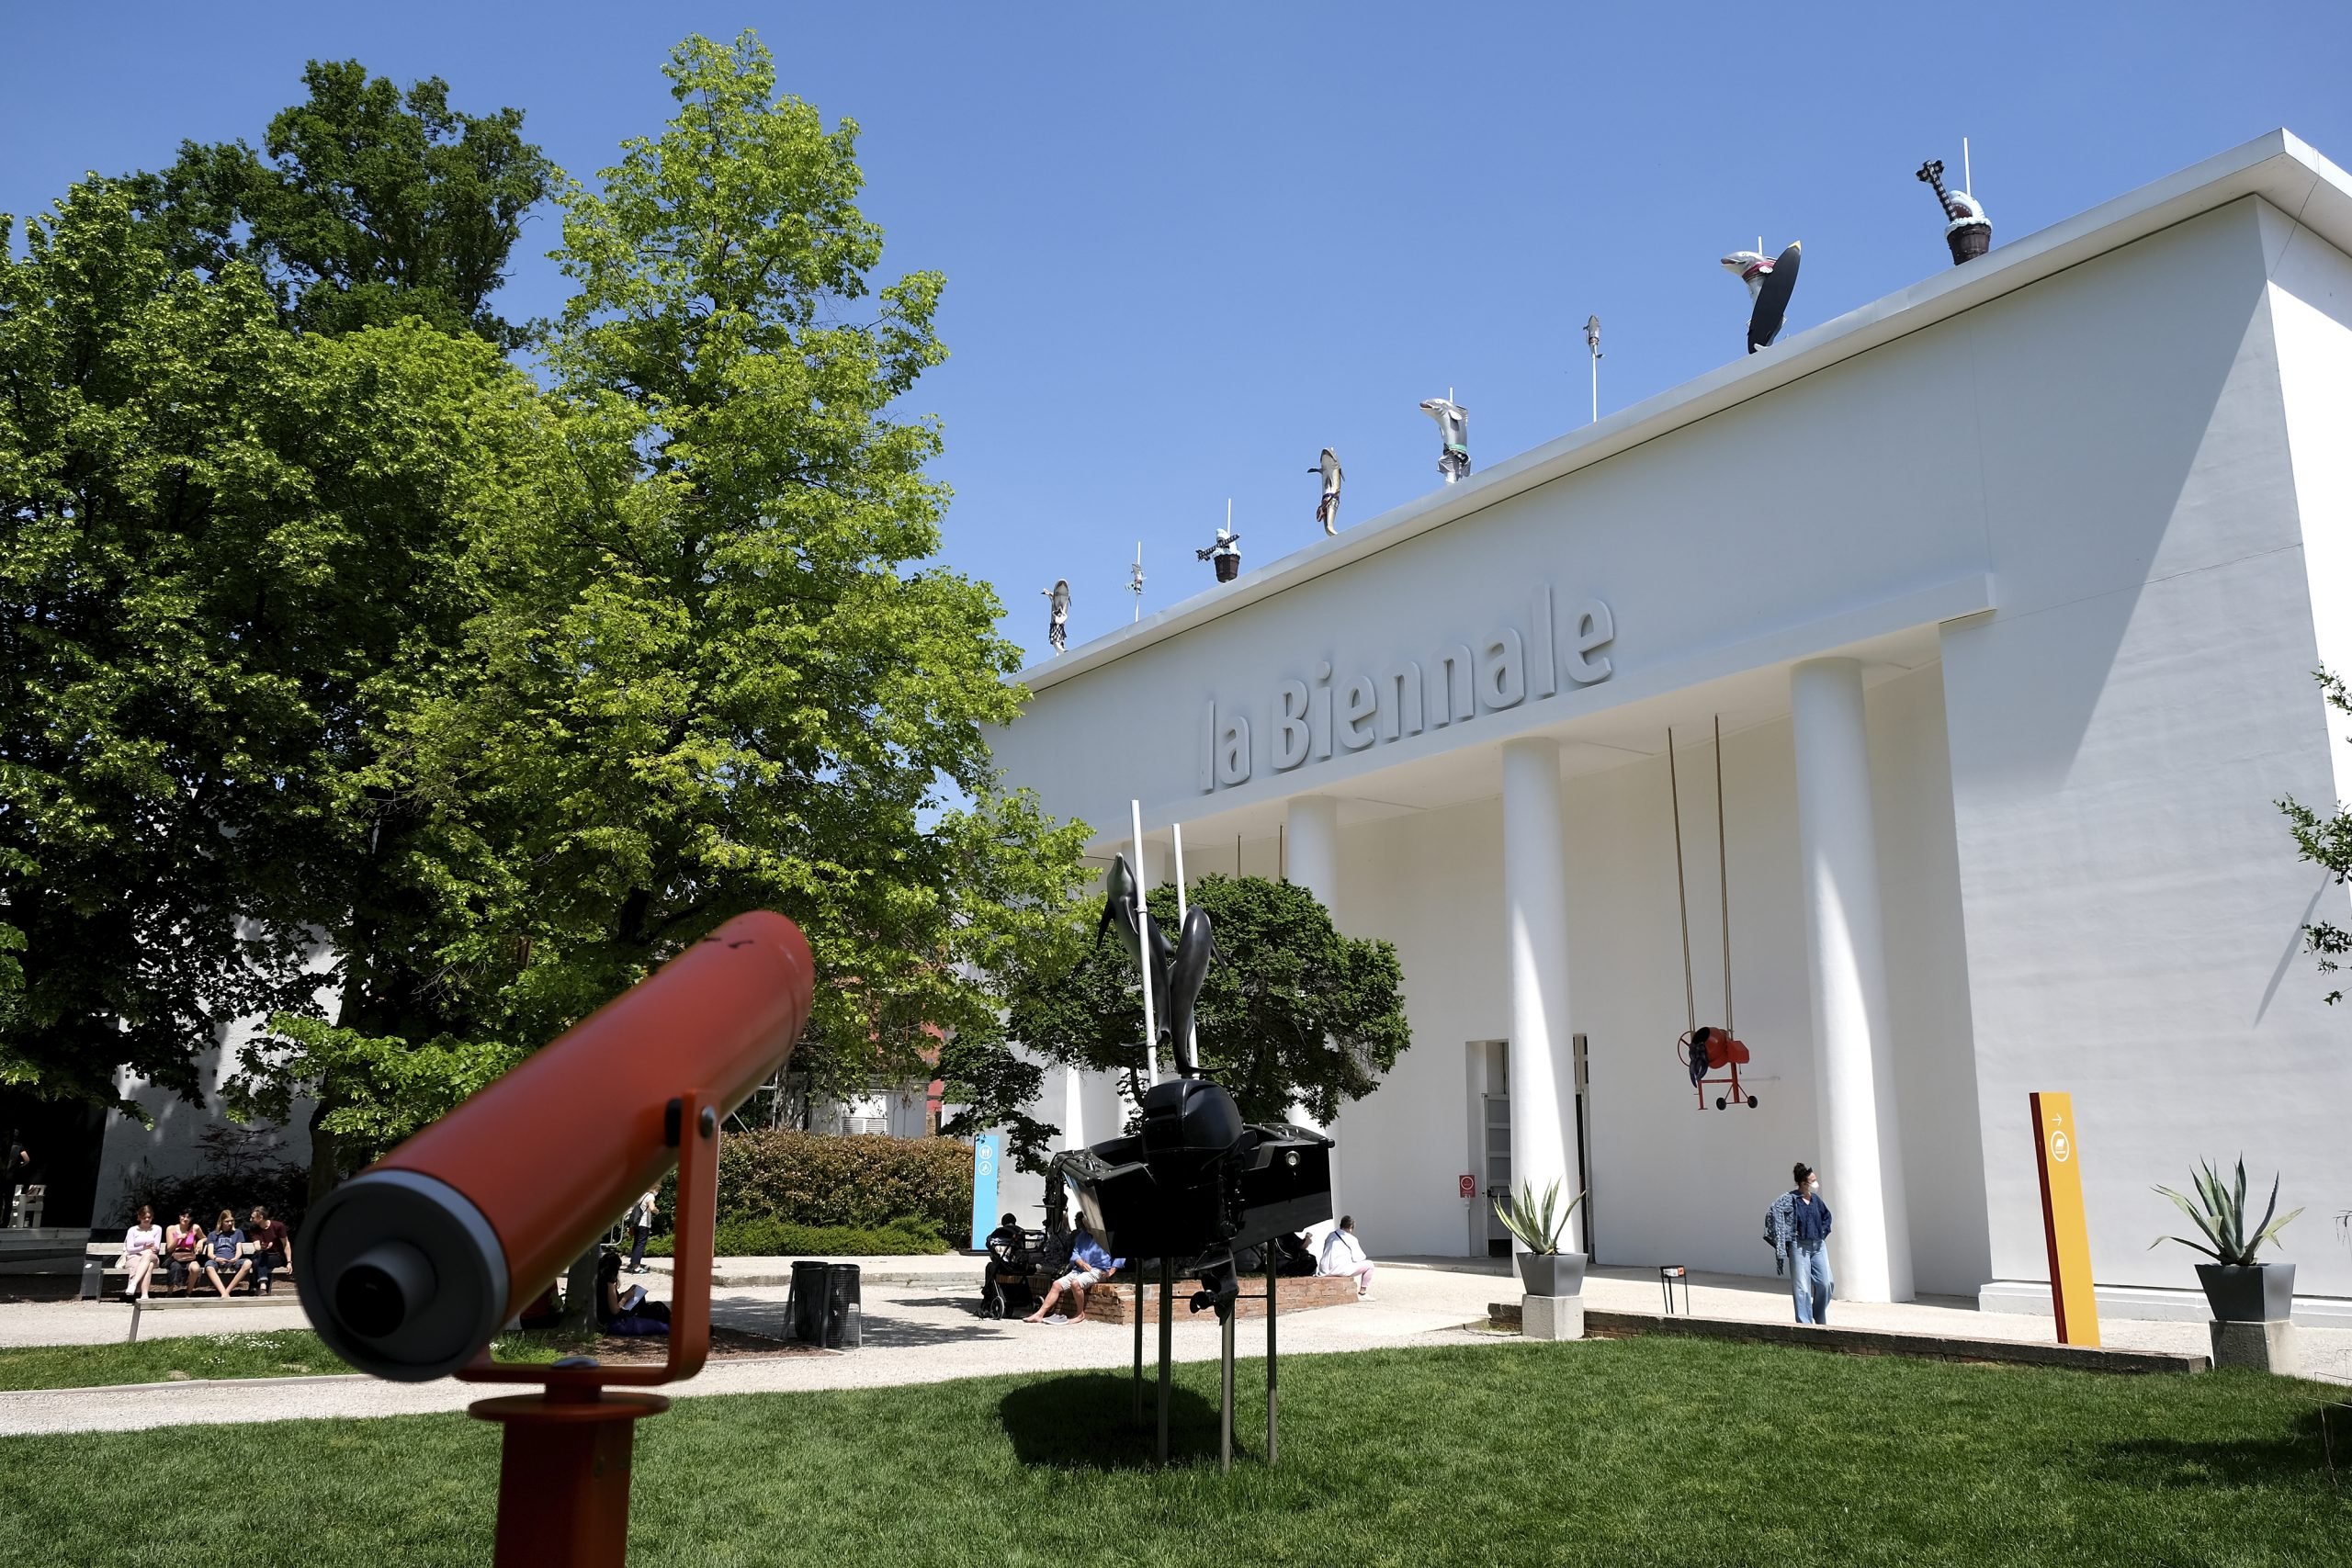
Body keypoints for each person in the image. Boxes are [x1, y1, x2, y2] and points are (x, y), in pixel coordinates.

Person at [1765, 1162, 1834, 1324]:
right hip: (1799, 1245)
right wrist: (1784, 1237)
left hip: (1818, 1246)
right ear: (1803, 1183)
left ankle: (1818, 1314)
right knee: (1802, 1288)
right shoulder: (1791, 1199)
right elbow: (1772, 1213)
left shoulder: (1816, 1200)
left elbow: (1827, 1217)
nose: (1816, 1183)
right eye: (1813, 1180)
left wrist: (1822, 1233)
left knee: (1826, 1282)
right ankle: (1805, 1324)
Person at [1023, 1224, 1121, 1324]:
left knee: (1076, 1283)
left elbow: (1120, 1255)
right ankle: (1039, 1314)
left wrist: (1111, 1272)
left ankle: (1080, 1314)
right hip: (1079, 1269)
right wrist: (1080, 1262)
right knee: (1056, 1285)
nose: (1085, 1227)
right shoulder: (1082, 1235)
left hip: (1097, 1269)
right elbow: (1075, 1253)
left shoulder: (1107, 1236)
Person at [595, 1251, 671, 1336]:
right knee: (658, 1310)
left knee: (656, 1307)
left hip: (612, 1320)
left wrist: (623, 1295)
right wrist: (625, 1298)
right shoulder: (609, 1284)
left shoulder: (600, 1280)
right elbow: (615, 1310)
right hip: (616, 1322)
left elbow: (608, 1301)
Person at [1318, 1215, 1374, 1298]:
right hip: (1339, 1270)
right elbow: (1359, 1258)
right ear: (1351, 1227)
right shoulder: (1351, 1239)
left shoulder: (1330, 1235)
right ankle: (1362, 1293)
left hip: (1324, 1270)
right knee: (1370, 1265)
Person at [202, 1208, 252, 1297]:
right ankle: (223, 1292)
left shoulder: (237, 1233)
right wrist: (216, 1259)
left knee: (248, 1263)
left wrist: (236, 1258)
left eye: (231, 1221)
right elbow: (210, 1253)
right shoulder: (213, 1234)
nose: (230, 1223)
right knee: (209, 1266)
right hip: (217, 1260)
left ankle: (227, 1291)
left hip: (233, 1260)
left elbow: (239, 1250)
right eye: (227, 1221)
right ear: (221, 1221)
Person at [244, 1205, 291, 1295]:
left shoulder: (278, 1226)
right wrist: (263, 1247)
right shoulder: (254, 1229)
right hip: (261, 1255)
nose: (250, 1220)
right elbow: (257, 1246)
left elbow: (286, 1244)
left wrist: (289, 1262)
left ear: (261, 1217)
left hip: (277, 1256)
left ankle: (257, 1287)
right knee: (258, 1259)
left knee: (257, 1261)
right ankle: (261, 1289)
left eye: (253, 1218)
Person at [120, 1205, 164, 1301]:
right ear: (139, 1217)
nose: (147, 1219)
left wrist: (153, 1248)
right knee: (149, 1266)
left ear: (152, 1217)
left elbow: (157, 1248)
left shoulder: (157, 1229)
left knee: (148, 1255)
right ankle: (144, 1295)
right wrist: (143, 1247)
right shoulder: (132, 1230)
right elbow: (129, 1249)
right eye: (144, 1217)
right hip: (134, 1256)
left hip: (152, 1256)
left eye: (149, 1217)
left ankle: (134, 1283)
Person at [164, 1210, 207, 1295]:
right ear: (179, 1216)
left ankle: (188, 1292)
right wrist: (178, 1238)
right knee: (175, 1266)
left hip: (189, 1256)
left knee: (196, 1268)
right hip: (174, 1257)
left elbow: (205, 1237)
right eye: (183, 1216)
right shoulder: (171, 1228)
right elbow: (169, 1249)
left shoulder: (195, 1228)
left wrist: (201, 1241)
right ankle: (169, 1293)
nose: (186, 1219)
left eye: (188, 1217)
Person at [626, 1187, 659, 1274]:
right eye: (658, 1190)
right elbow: (652, 1208)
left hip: (636, 1223)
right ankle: (636, 1267)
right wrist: (657, 1211)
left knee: (636, 1243)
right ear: (655, 1189)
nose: (657, 1192)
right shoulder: (650, 1196)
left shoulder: (641, 1195)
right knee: (640, 1244)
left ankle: (632, 1265)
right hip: (643, 1223)